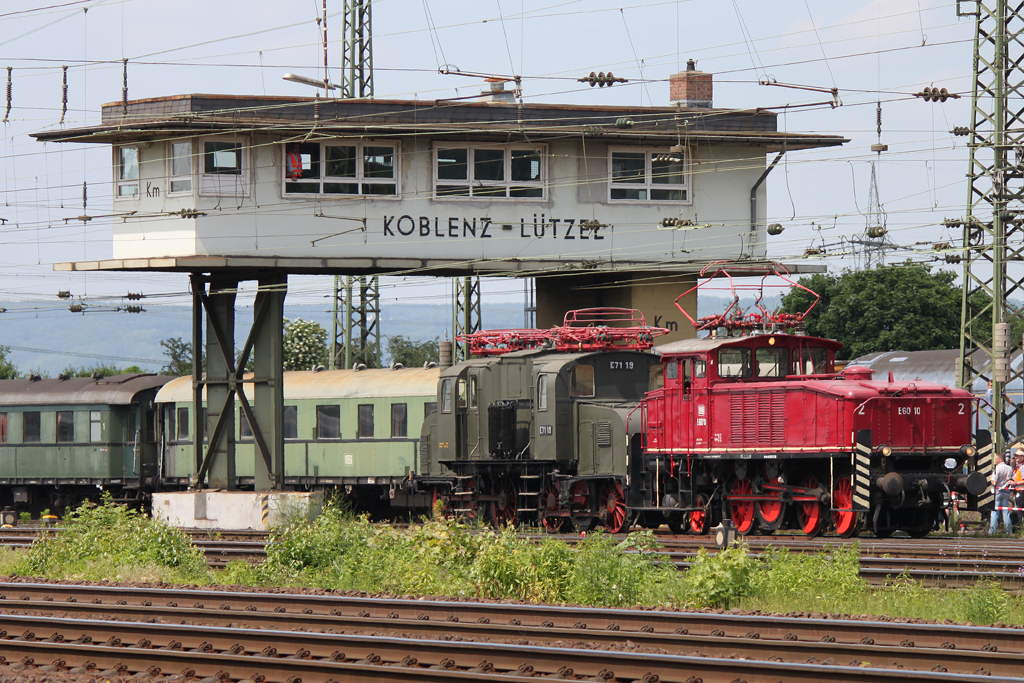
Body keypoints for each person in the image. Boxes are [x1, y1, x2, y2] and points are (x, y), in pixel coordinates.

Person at [990, 452, 1015, 535]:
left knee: (995, 512)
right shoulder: (1010, 468)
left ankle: (992, 531)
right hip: (1006, 492)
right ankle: (1008, 531)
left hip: (998, 492)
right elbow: (1011, 480)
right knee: (1006, 512)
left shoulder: (997, 469)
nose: (995, 461)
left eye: (996, 459)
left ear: (999, 459)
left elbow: (994, 481)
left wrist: (991, 481)